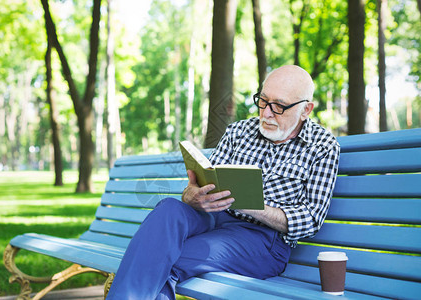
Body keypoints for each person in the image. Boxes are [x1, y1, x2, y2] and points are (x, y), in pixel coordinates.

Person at [106, 65, 340, 300]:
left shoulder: (322, 147)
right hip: (213, 218)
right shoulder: (238, 132)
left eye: (279, 106)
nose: (266, 113)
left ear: (305, 109)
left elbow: (311, 219)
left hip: (262, 241)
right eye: (263, 101)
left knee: (159, 259)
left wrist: (253, 206)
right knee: (169, 208)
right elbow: (206, 179)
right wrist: (191, 194)